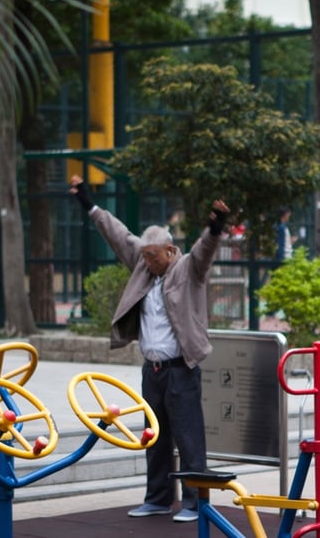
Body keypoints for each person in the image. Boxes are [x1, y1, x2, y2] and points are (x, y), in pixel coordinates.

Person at [69, 174, 229, 523]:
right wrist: (87, 201)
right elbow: (117, 234)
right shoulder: (143, 263)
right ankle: (157, 498)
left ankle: (194, 503)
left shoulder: (189, 269)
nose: (148, 261)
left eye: (154, 256)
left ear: (170, 251)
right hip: (152, 369)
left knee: (188, 439)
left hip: (181, 369)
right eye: (145, 256)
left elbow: (205, 250)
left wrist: (215, 225)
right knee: (154, 437)